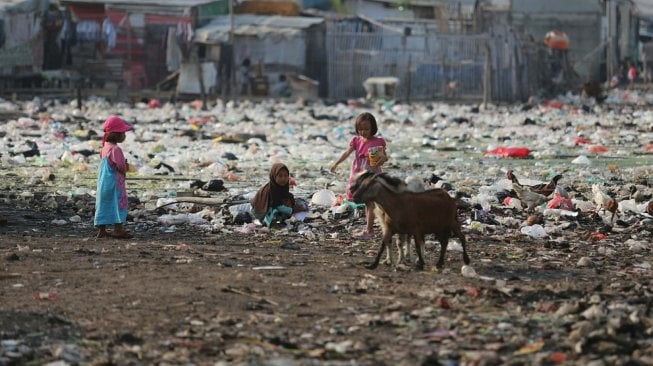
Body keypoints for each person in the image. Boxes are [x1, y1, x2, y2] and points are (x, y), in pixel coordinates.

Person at [330, 112, 388, 240]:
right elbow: (346, 153)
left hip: (371, 176)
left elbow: (384, 158)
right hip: (358, 175)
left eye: (366, 129)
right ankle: (370, 229)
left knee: (370, 203)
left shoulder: (377, 142)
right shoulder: (356, 141)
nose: (363, 132)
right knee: (368, 203)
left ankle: (370, 231)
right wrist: (336, 164)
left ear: (373, 128)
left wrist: (381, 159)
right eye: (360, 129)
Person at [95, 115, 134, 239]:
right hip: (114, 184)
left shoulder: (104, 148)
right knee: (118, 205)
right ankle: (118, 229)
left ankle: (102, 230)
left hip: (103, 183)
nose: (124, 135)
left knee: (103, 204)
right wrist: (127, 167)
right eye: (123, 132)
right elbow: (120, 166)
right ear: (117, 135)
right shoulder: (116, 149)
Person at [251, 163, 307, 227]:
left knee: (289, 200)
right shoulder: (271, 190)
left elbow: (286, 199)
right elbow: (277, 206)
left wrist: (293, 205)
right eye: (280, 176)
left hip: (270, 210)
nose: (283, 178)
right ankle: (269, 222)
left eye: (286, 176)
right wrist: (293, 210)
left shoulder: (282, 188)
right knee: (276, 209)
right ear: (274, 176)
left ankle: (278, 220)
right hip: (258, 212)